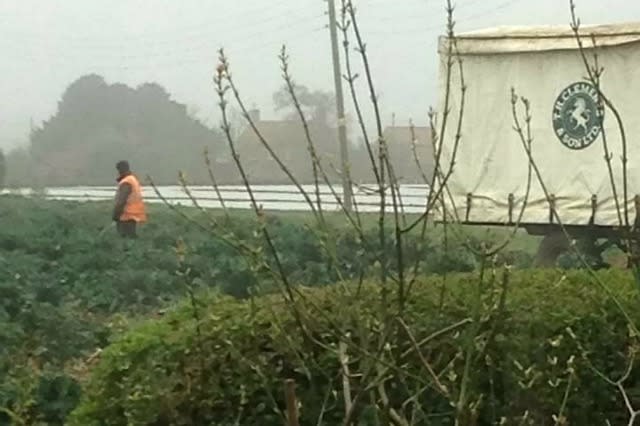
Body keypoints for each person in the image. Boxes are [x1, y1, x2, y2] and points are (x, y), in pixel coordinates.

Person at [112, 160, 147, 237]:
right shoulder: (133, 179)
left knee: (124, 242)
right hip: (134, 216)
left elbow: (121, 202)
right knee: (131, 241)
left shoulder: (126, 182)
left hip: (126, 217)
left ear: (120, 170)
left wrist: (115, 216)